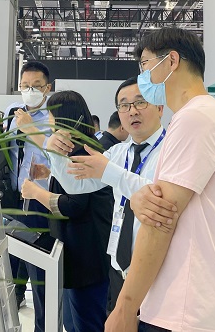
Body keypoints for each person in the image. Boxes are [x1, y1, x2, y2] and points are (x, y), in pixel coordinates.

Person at [106, 27, 215, 332]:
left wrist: (125, 306)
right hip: (190, 304)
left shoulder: (195, 117)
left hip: (188, 308)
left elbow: (161, 219)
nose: (142, 77)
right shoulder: (201, 116)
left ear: (171, 61)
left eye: (145, 65)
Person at [46, 77, 166, 313]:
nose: (132, 111)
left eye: (140, 102)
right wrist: (54, 154)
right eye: (124, 105)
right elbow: (76, 186)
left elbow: (158, 198)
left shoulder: (172, 149)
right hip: (118, 268)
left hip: (157, 269)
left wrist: (109, 172)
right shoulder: (117, 152)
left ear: (160, 107)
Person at [21, 90, 113, 332]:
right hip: (79, 256)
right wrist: (49, 174)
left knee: (86, 323)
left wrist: (35, 192)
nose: (49, 122)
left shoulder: (82, 152)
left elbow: (74, 204)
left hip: (86, 258)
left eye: (51, 116)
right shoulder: (75, 149)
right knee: (74, 321)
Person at [3, 60, 53, 329]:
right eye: (25, 85)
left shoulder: (55, 117)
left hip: (39, 203)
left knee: (40, 273)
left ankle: (42, 326)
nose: (29, 91)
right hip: (12, 199)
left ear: (47, 88)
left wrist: (29, 128)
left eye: (36, 86)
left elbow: (57, 155)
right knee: (7, 270)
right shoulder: (12, 111)